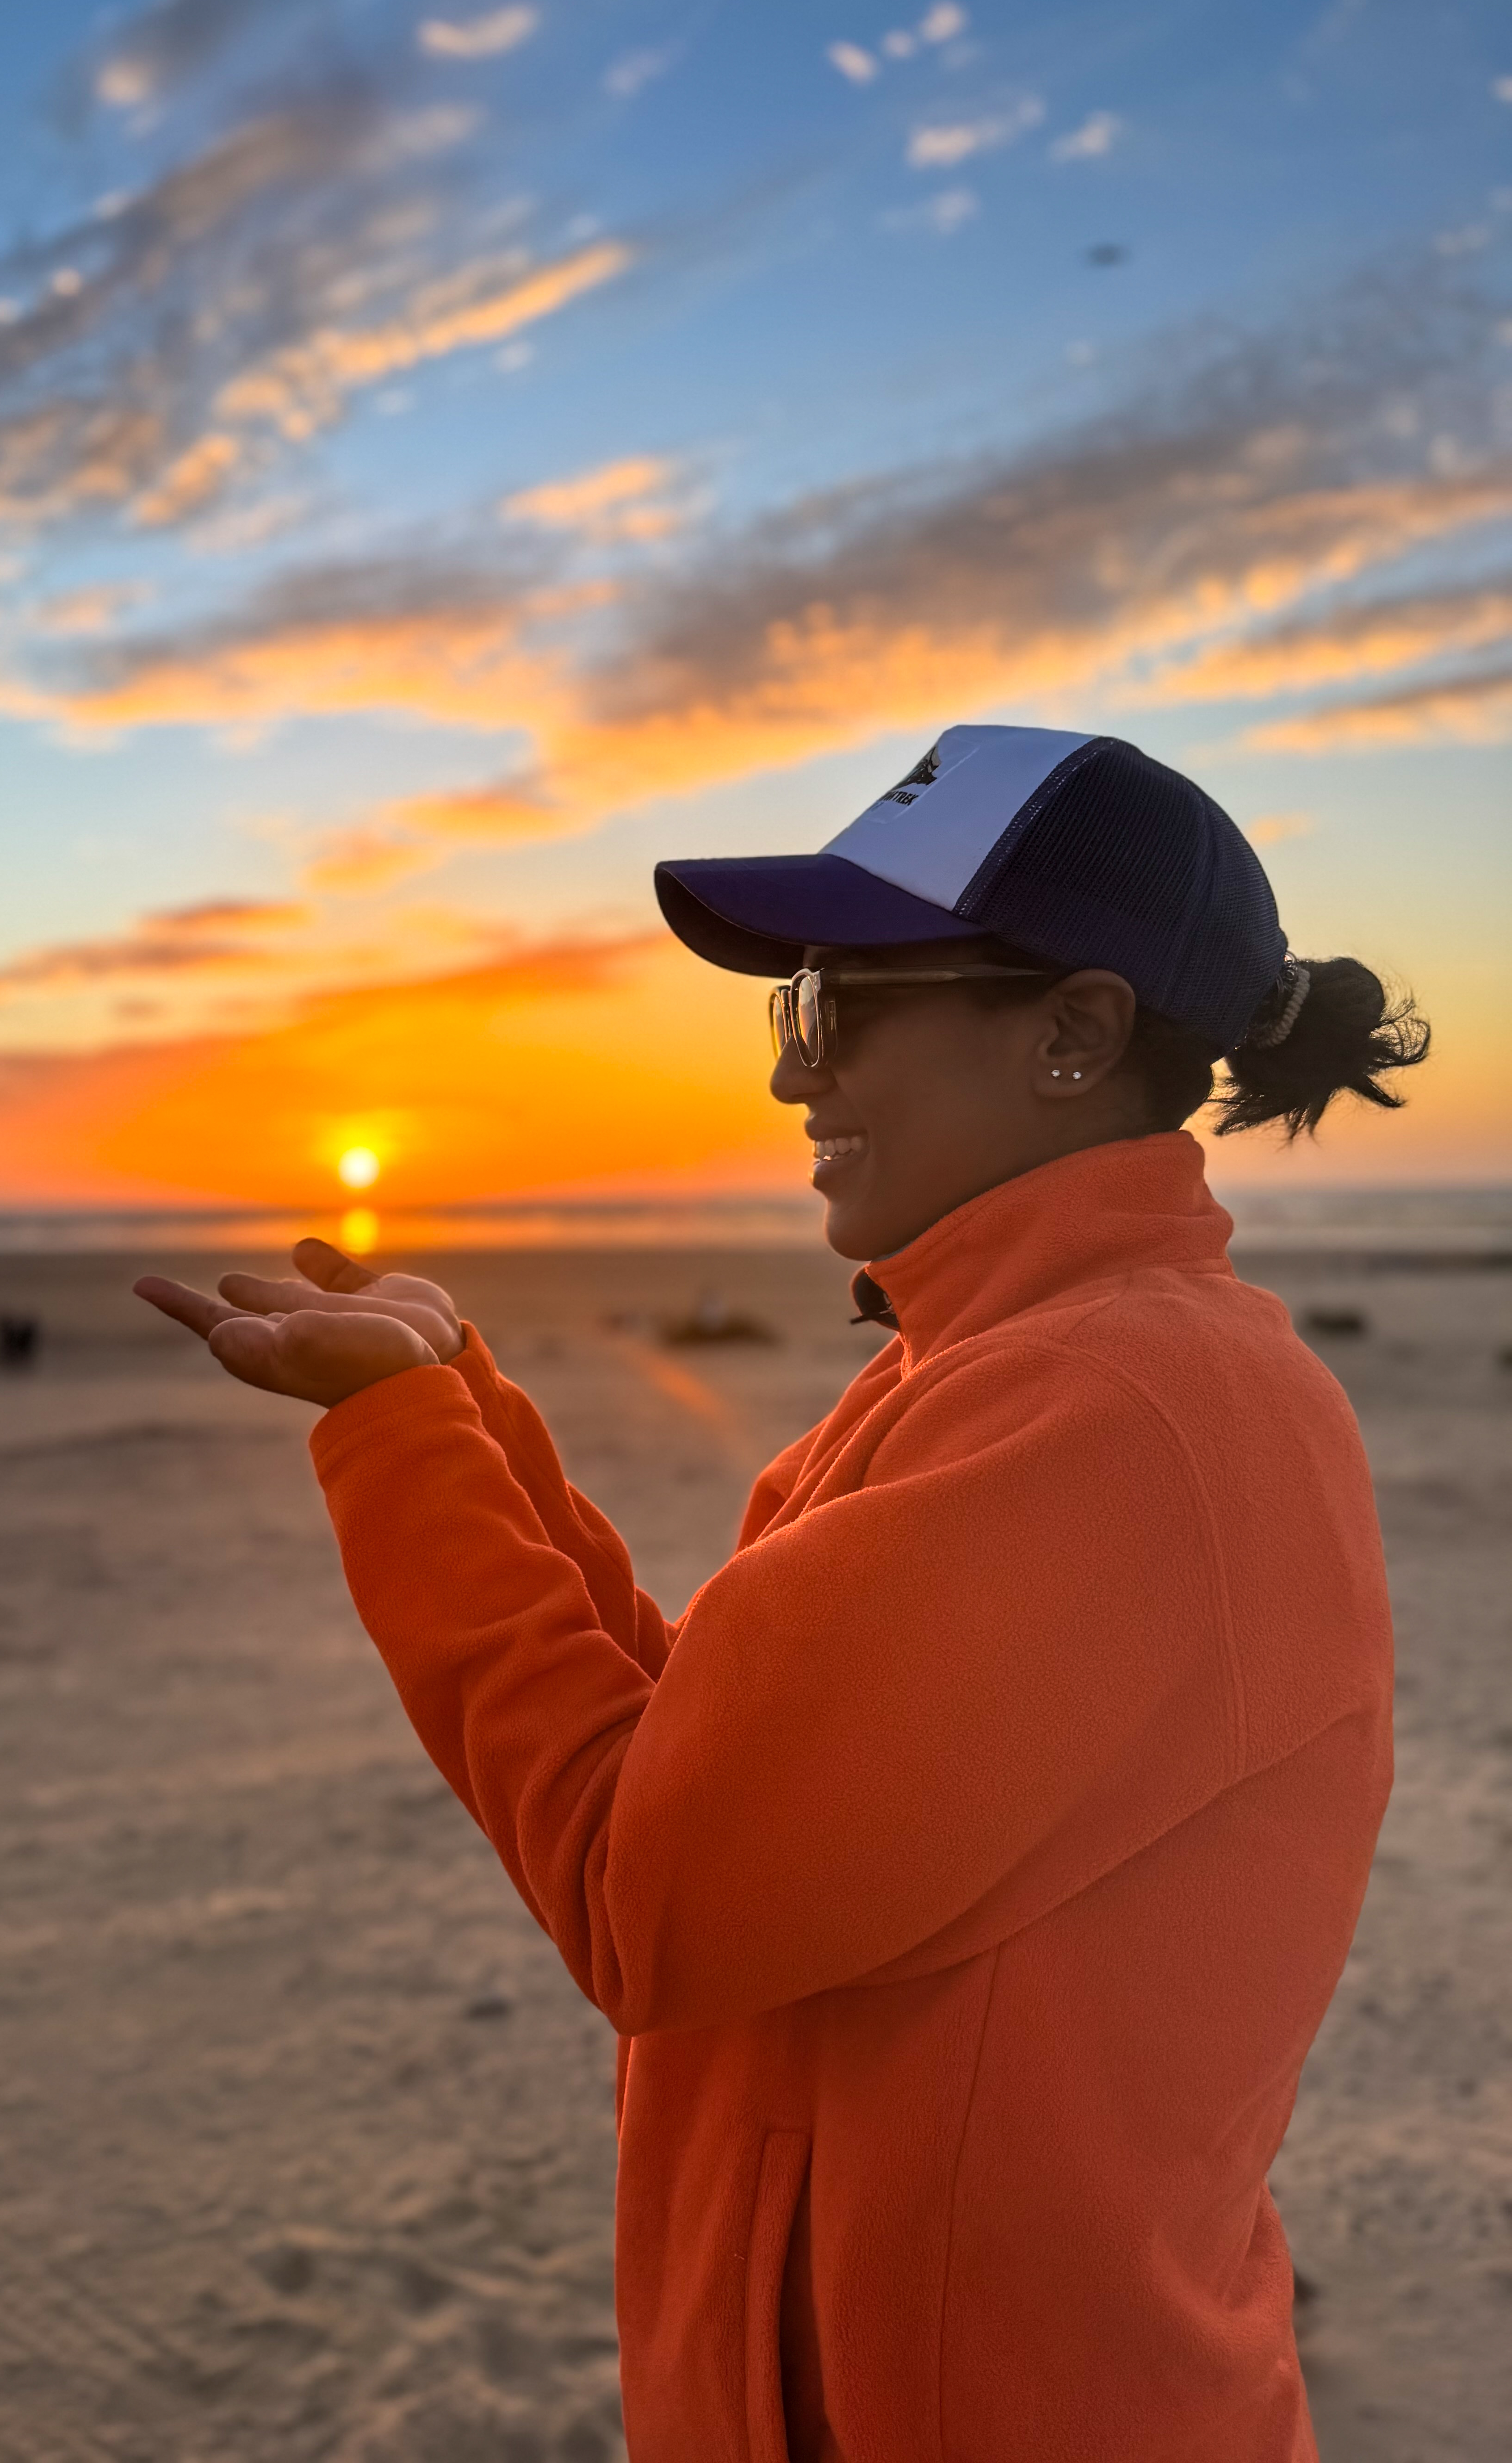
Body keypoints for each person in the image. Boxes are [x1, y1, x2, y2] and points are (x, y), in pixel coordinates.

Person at [136, 724, 1428, 2461]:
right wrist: (469, 1423)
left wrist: (398, 1450)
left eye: (834, 1005)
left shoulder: (1107, 1410)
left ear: (1074, 1030)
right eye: (787, 1010)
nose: (787, 1076)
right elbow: (731, 1775)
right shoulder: (1010, 1367)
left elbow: (648, 1894)